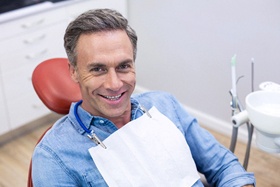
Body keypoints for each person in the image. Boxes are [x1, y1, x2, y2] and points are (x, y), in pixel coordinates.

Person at [32, 9, 255, 187]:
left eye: (123, 66)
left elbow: (223, 164)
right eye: (98, 69)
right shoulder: (54, 157)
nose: (114, 84)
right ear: (73, 72)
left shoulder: (165, 105)